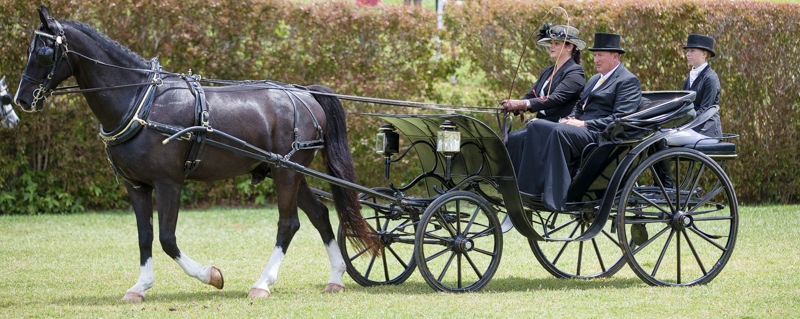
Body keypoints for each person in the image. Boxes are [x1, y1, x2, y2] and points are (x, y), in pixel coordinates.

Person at [508, 33, 641, 212]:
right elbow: (579, 106)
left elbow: (621, 118)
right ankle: (523, 189)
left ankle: (551, 194)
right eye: (594, 55)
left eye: (600, 55)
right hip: (579, 128)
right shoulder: (595, 79)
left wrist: (584, 124)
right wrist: (569, 118)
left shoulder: (627, 81)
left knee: (548, 128)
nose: (596, 60)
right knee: (534, 128)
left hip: (600, 134)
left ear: (615, 56)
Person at [500, 24, 587, 122]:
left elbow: (555, 98)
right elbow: (532, 95)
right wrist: (513, 105)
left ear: (569, 47)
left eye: (557, 43)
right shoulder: (548, 71)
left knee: (514, 137)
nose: (552, 46)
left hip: (558, 125)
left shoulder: (575, 72)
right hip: (539, 123)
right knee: (510, 137)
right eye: (551, 43)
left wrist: (523, 104)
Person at [682, 34, 722, 137]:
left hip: (707, 131)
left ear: (704, 54)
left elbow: (705, 111)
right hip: (691, 128)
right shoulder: (688, 80)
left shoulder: (710, 79)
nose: (688, 54)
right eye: (687, 51)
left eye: (692, 51)